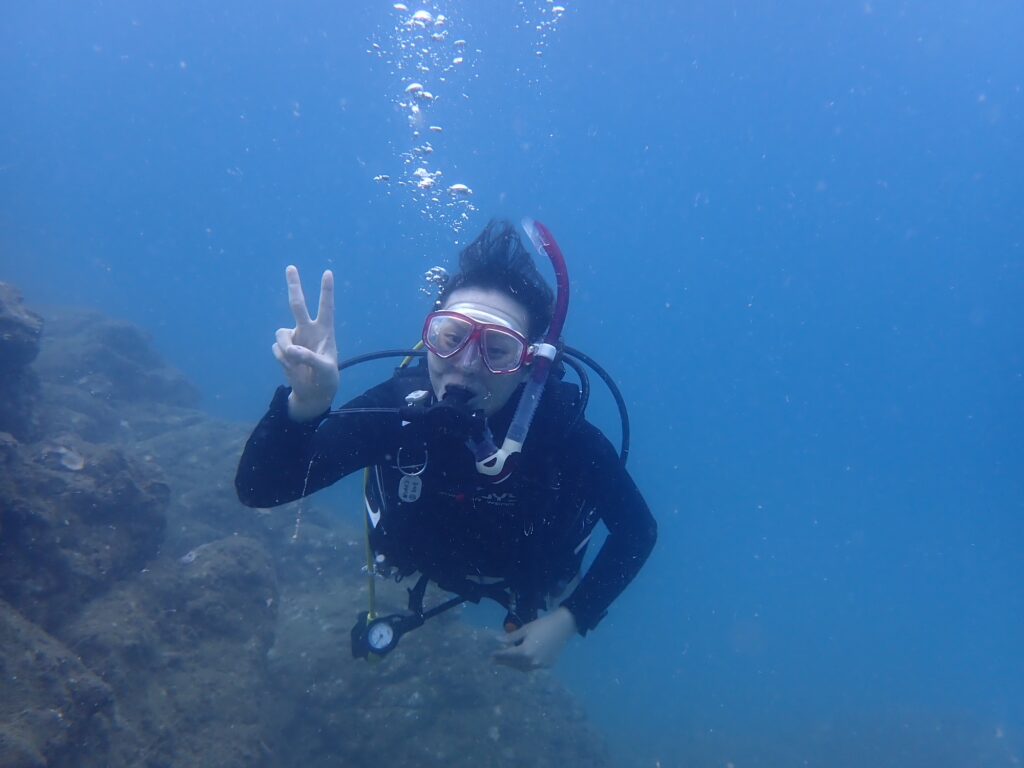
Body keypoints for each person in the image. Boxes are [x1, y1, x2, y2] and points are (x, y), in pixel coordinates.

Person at [235, 220, 656, 670]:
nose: (466, 365)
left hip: (525, 577)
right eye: (451, 338)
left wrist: (571, 619)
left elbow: (638, 531)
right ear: (429, 339)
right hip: (423, 560)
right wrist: (304, 407)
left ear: (529, 367)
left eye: (497, 349)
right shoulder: (399, 411)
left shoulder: (561, 435)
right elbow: (260, 489)